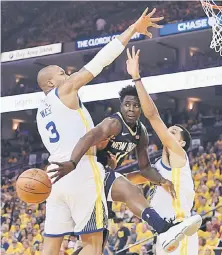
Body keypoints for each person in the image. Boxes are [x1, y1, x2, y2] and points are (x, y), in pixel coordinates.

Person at [36, 8, 163, 255]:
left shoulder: (41, 111)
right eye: (62, 73)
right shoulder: (64, 91)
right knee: (93, 245)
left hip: (54, 176)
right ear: (51, 83)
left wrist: (102, 150)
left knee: (50, 245)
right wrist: (132, 30)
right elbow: (100, 61)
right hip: (80, 170)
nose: (68, 74)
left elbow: (67, 140)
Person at [48, 68, 202, 253]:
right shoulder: (113, 123)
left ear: (140, 109)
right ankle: (164, 228)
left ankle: (164, 228)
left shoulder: (141, 133)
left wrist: (160, 180)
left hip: (100, 179)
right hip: (85, 173)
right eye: (127, 104)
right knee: (131, 191)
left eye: (136, 105)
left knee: (97, 244)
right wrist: (72, 163)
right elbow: (87, 138)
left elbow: (144, 168)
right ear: (121, 106)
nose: (131, 108)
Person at [124, 46, 202, 254]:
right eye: (171, 129)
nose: (170, 131)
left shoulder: (179, 156)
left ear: (182, 143)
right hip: (165, 234)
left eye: (175, 132)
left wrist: (136, 78)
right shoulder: (158, 167)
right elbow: (135, 179)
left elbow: (153, 117)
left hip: (181, 229)